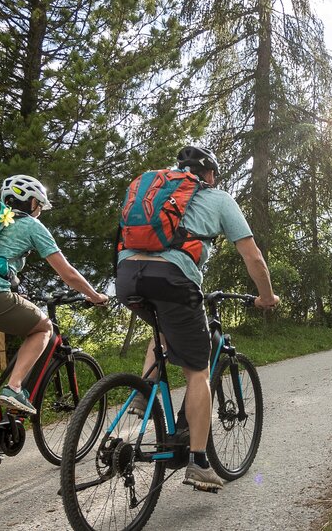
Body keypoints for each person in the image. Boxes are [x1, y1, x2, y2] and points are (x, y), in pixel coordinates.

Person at [115, 146, 279, 492]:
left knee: (162, 329)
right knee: (198, 371)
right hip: (173, 279)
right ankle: (199, 462)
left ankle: (143, 394)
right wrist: (266, 295)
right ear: (209, 175)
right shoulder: (218, 198)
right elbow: (253, 255)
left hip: (128, 276)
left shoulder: (153, 192)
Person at [0, 175, 109, 415]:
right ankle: (14, 387)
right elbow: (67, 273)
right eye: (39, 205)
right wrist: (94, 295)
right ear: (31, 203)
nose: (39, 210)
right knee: (43, 328)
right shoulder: (30, 225)